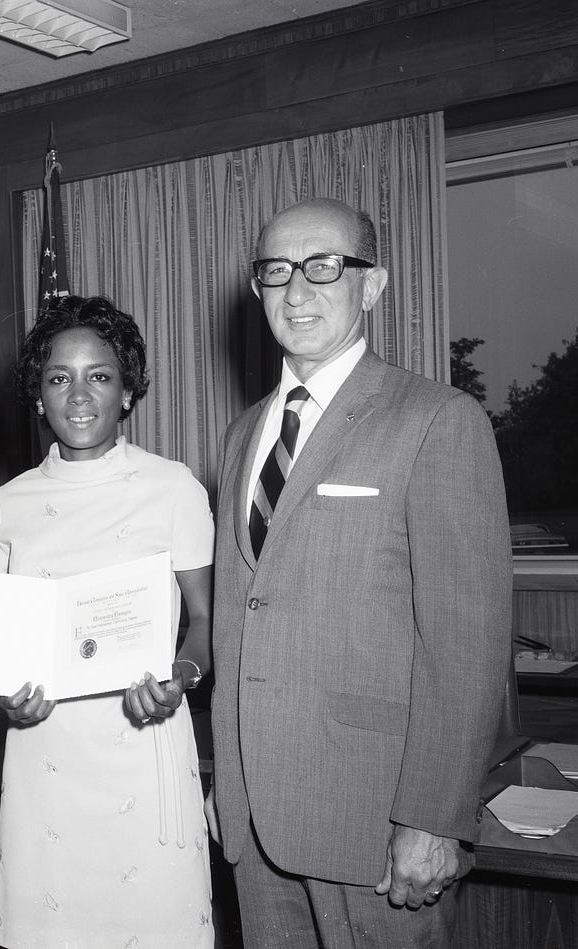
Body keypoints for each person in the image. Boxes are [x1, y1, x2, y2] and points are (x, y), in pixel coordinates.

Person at [208, 197, 512, 948]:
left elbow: (465, 644)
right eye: (276, 271)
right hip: (254, 821)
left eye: (325, 266)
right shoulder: (243, 432)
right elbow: (239, 616)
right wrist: (228, 778)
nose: (298, 290)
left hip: (371, 820)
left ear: (372, 285)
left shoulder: (438, 420)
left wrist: (435, 817)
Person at [0, 295, 215, 948]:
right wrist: (8, 699)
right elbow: (1, 645)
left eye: (100, 375)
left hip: (143, 747)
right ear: (38, 396)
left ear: (128, 393)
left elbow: (206, 621)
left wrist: (181, 674)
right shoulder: (11, 502)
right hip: (45, 760)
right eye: (59, 377)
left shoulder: (174, 488)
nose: (78, 394)